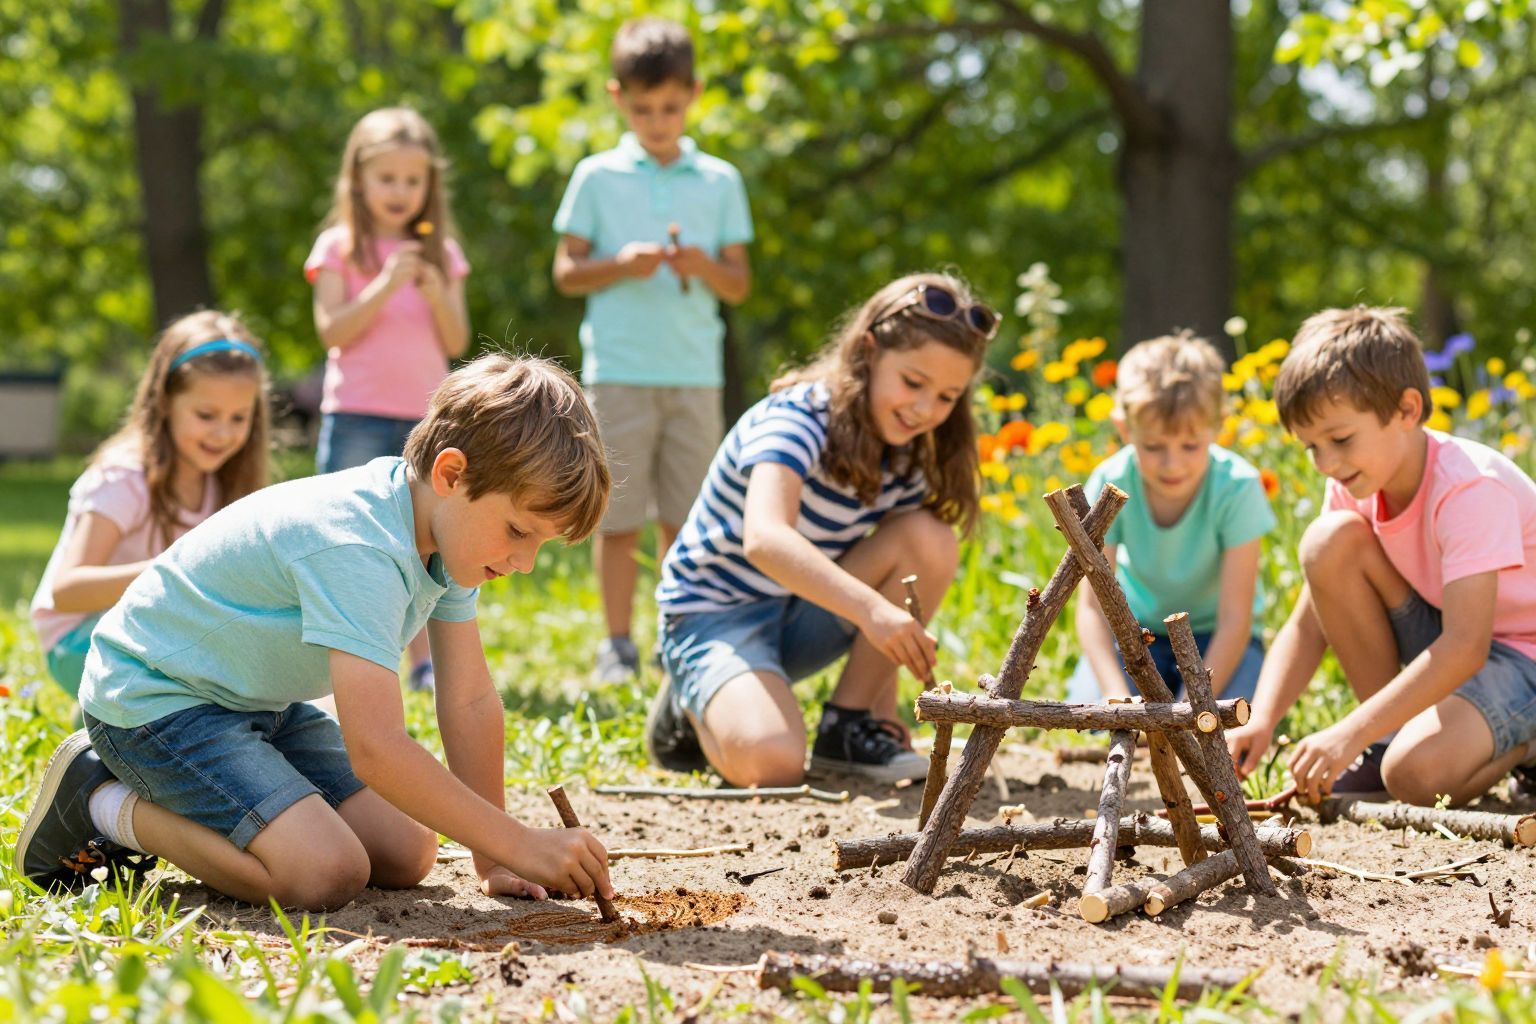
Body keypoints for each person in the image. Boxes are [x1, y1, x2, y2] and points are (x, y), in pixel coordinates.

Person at [14, 355, 615, 912]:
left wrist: (498, 853)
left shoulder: (446, 530)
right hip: (157, 703)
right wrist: (521, 839)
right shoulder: (358, 545)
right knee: (325, 873)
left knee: (408, 853)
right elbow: (376, 748)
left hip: (255, 703)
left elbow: (469, 699)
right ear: (452, 473)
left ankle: (206, 796)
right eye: (518, 531)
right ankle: (102, 802)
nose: (526, 561)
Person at [647, 272, 996, 786]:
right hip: (714, 616)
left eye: (946, 397)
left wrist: (883, 706)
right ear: (869, 351)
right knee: (775, 763)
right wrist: (874, 612)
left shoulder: (907, 457)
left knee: (930, 537)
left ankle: (848, 727)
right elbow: (765, 539)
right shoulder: (796, 417)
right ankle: (687, 703)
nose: (925, 409)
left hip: (802, 613)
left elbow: (892, 575)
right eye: (913, 383)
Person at [1226, 307, 1536, 806]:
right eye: (1311, 448)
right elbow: (1307, 626)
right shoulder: (1356, 482)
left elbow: (1465, 647)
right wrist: (1261, 717)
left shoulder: (1469, 488)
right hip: (1447, 633)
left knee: (1415, 776)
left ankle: (1525, 747)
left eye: (1341, 439)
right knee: (1328, 541)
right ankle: (1386, 740)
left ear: (1407, 410)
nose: (1326, 464)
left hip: (1522, 654)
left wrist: (1347, 732)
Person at [552, 16, 753, 684]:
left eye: (669, 107)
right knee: (616, 518)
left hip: (694, 374)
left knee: (685, 517)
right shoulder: (596, 176)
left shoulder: (720, 180)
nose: (657, 121)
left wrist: (700, 264)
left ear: (693, 94)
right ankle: (616, 642)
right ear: (618, 98)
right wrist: (621, 264)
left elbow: (739, 283)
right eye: (643, 109)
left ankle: (678, 635)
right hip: (619, 372)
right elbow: (566, 271)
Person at [308, 106, 471, 692]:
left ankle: (424, 661)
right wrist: (383, 286)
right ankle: (349, 656)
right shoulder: (339, 249)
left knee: (423, 540)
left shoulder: (441, 254)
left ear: (430, 185)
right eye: (387, 178)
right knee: (349, 538)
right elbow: (333, 330)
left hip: (424, 419)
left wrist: (432, 289)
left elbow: (456, 340)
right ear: (358, 180)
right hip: (354, 411)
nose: (400, 191)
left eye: (412, 179)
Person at [29, 310, 270, 700]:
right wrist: (174, 573)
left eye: (239, 417)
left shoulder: (222, 485)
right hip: (79, 640)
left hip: (157, 635)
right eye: (206, 415)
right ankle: (102, 730)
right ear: (165, 401)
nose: (223, 432)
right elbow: (67, 590)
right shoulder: (125, 477)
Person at [1067, 333, 1274, 705]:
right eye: (1153, 446)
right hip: (1134, 636)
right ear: (1124, 427)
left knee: (1224, 722)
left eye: (1190, 446)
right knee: (1097, 716)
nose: (1172, 463)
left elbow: (1235, 618)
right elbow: (1092, 607)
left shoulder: (1237, 488)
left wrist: (1190, 704)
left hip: (1218, 640)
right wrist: (1116, 695)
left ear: (1219, 425)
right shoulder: (1110, 482)